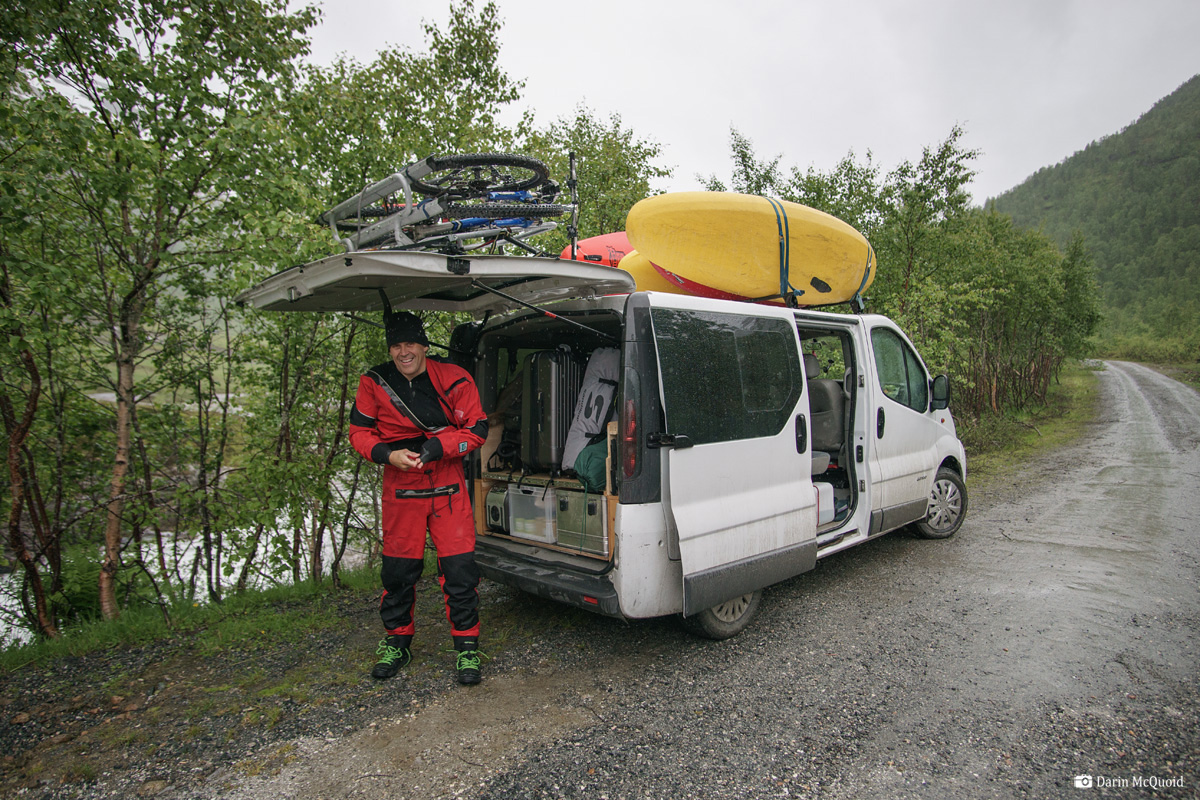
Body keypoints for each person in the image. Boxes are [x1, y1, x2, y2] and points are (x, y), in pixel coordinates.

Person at [348, 310, 489, 685]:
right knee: (398, 573)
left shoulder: (455, 377)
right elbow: (358, 433)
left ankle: (467, 648)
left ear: (424, 345)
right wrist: (387, 455)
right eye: (396, 345)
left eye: (410, 343)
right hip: (400, 483)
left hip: (446, 480)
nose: (403, 352)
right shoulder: (373, 382)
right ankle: (397, 642)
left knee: (460, 571)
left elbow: (476, 428)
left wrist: (436, 447)